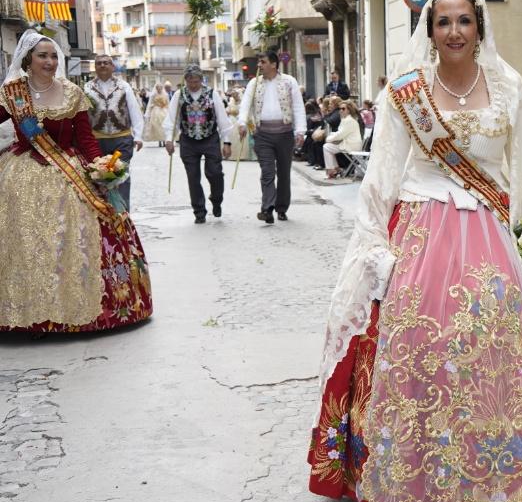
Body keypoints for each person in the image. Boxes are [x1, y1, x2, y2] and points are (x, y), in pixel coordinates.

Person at [307, 0, 522, 502]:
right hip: (422, 229)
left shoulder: (506, 84)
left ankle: (503, 476)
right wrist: (373, 244)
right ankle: (418, 474)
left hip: (491, 229)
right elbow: (382, 172)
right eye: (443, 22)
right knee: (417, 345)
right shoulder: (406, 92)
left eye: (463, 21)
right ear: (430, 31)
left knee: (502, 345)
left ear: (479, 26)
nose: (454, 31)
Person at [0, 30, 152, 332]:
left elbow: (86, 139)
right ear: (28, 60)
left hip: (68, 173)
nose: (50, 61)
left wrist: (101, 167)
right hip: (20, 176)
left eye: (54, 55)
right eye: (43, 55)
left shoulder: (72, 93)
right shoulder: (12, 94)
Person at [237, 51, 306, 224]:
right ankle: (267, 208)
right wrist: (242, 123)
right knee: (267, 172)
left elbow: (298, 107)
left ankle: (281, 208)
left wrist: (300, 131)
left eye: (263, 62)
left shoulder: (289, 82)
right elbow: (245, 104)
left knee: (284, 173)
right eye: (259, 62)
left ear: (274, 64)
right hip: (263, 135)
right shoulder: (254, 83)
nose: (259, 65)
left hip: (284, 134)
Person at [163, 65, 233, 224]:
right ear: (185, 80)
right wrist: (169, 139)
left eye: (196, 81)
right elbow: (172, 118)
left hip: (210, 138)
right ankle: (199, 211)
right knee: (193, 177)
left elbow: (222, 118)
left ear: (201, 80)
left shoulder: (212, 94)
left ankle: (216, 199)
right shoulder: (179, 95)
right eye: (190, 81)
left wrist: (227, 141)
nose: (193, 85)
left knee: (214, 173)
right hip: (188, 140)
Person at [84, 54, 145, 210]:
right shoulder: (87, 88)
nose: (103, 65)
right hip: (97, 139)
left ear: (112, 66)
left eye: (106, 63)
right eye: (99, 63)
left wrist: (138, 136)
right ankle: (105, 214)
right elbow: (83, 115)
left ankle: (124, 214)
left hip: (122, 138)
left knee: (122, 176)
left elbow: (134, 110)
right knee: (98, 176)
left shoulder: (124, 86)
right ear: (95, 67)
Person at [324, 100, 362, 178]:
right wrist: (331, 137)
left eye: (343, 109)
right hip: (350, 144)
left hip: (351, 146)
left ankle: (333, 170)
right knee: (328, 146)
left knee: (326, 147)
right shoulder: (347, 119)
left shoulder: (349, 121)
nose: (341, 110)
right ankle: (335, 169)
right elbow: (339, 133)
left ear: (349, 110)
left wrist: (328, 138)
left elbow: (340, 135)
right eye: (340, 108)